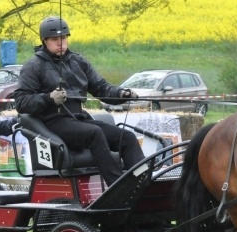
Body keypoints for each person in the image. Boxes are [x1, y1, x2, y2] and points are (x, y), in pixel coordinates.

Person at [13, 16, 144, 186]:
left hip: (79, 118)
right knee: (94, 133)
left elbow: (101, 88)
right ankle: (119, 185)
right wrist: (49, 98)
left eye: (64, 38)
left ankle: (142, 181)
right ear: (44, 41)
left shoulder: (78, 61)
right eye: (55, 39)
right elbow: (21, 102)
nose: (61, 42)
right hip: (54, 122)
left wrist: (122, 93)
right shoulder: (34, 66)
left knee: (126, 137)